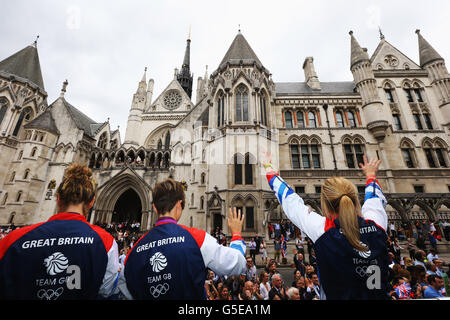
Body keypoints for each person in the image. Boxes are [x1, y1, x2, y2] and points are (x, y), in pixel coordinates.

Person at [264, 154, 389, 300]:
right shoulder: (377, 224)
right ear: (355, 199)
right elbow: (374, 198)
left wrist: (269, 170)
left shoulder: (322, 230)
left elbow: (289, 200)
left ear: (326, 208)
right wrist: (371, 175)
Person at [0, 164, 120, 300]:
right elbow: (108, 289)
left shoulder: (13, 239)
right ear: (92, 202)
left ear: (58, 198)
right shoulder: (105, 241)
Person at [118, 178, 247, 300]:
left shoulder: (133, 251)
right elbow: (238, 264)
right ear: (179, 204)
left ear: (155, 208)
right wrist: (236, 235)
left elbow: (125, 288)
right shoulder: (197, 239)